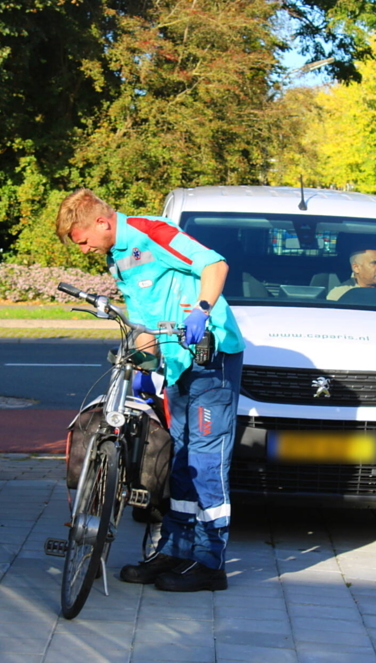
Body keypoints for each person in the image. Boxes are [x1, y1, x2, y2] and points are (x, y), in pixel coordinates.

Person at [56, 188, 244, 592]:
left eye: (84, 239)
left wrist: (202, 310)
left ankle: (210, 563)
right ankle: (177, 551)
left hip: (210, 356)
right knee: (179, 458)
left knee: (207, 459)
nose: (85, 249)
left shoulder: (151, 231)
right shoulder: (118, 258)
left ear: (103, 223)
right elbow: (141, 319)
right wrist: (146, 365)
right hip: (176, 363)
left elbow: (214, 264)